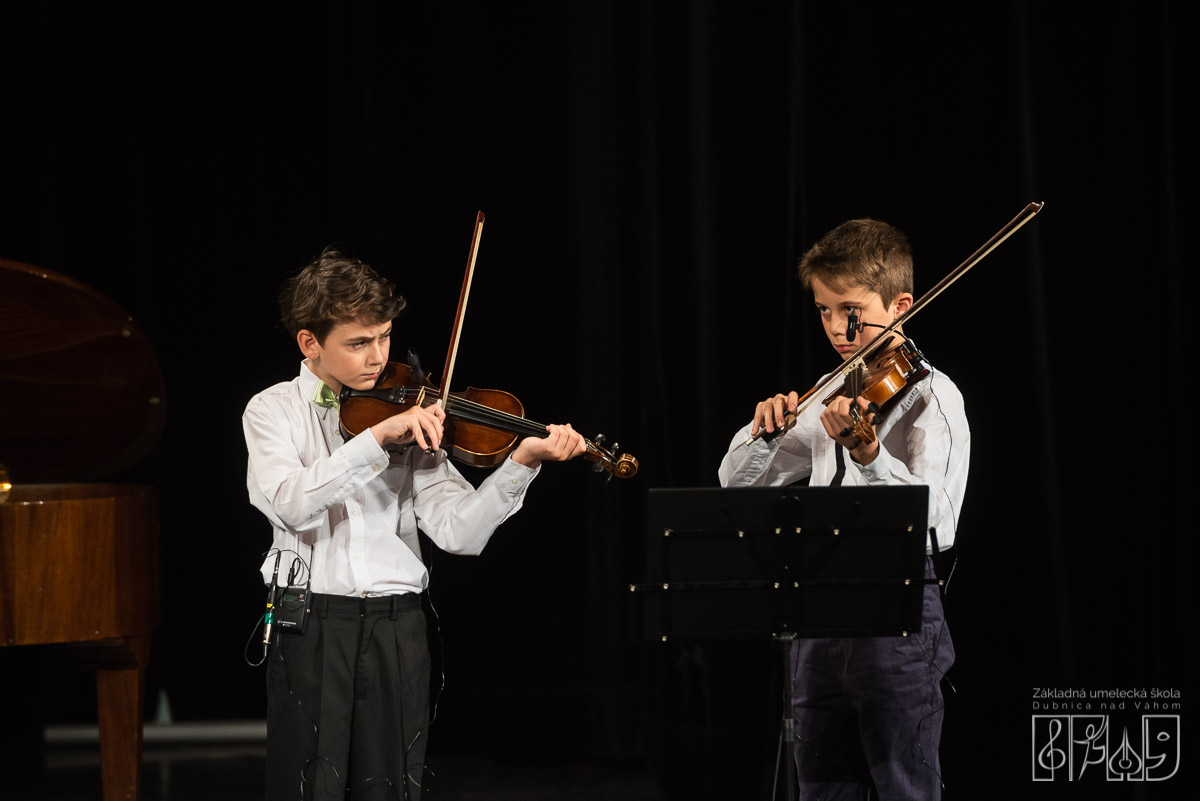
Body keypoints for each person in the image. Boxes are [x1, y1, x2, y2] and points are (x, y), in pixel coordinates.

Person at [243, 247, 585, 800]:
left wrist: (519, 465)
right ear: (310, 342)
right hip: (311, 624)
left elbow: (459, 534)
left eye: (384, 337)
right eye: (358, 343)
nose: (378, 357)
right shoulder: (272, 411)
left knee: (392, 790)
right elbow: (291, 503)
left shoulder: (416, 416)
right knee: (308, 787)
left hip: (397, 626)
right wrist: (378, 440)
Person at [718, 219, 967, 800]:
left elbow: (940, 519)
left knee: (905, 786)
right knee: (823, 790)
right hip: (819, 611)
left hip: (897, 612)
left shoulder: (934, 396)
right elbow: (735, 484)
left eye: (849, 310)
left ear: (900, 305)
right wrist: (770, 432)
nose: (835, 328)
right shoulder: (835, 392)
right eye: (824, 310)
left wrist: (870, 455)